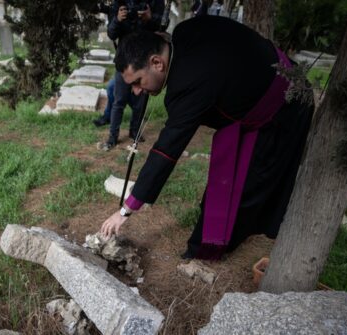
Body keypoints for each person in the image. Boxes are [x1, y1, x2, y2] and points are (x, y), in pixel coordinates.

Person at [100, 16, 314, 261]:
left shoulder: (187, 83)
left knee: (248, 186)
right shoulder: (184, 33)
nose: (137, 91)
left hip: (285, 106)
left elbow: (166, 151)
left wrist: (126, 210)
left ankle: (218, 245)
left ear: (157, 62)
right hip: (273, 85)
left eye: (137, 82)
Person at [101, 0, 165, 149]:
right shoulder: (119, 3)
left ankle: (134, 131)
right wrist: (117, 19)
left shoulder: (155, 2)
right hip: (124, 61)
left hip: (145, 61)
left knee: (140, 103)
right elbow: (111, 33)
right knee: (119, 101)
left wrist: (150, 19)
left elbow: (162, 26)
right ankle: (113, 136)